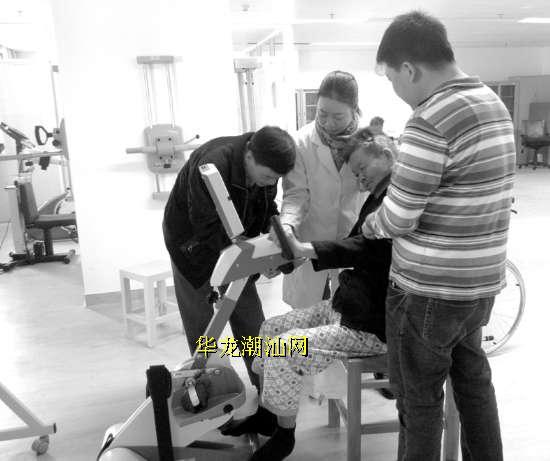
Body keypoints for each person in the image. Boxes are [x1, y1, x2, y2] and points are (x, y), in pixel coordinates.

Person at [362, 11, 516, 461]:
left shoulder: (429, 120)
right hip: (480, 286)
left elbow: (398, 218)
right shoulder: (492, 103)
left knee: (419, 401)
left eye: (393, 78)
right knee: (474, 386)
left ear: (409, 69)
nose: (396, 89)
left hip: (429, 292)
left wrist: (371, 223)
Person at [222, 130, 396, 461]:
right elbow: (355, 245)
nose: (360, 178)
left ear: (385, 155)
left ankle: (284, 436)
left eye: (363, 169)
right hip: (347, 307)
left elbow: (368, 250)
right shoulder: (378, 197)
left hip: (370, 327)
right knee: (270, 329)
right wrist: (300, 254)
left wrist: (309, 250)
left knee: (284, 349)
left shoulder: (396, 201)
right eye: (356, 173)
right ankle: (267, 415)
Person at [162, 126, 296, 389]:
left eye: (275, 179)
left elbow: (266, 207)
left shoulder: (266, 166)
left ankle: (265, 385)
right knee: (201, 321)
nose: (270, 182)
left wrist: (275, 248)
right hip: (191, 245)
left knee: (249, 314)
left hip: (235, 242)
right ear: (249, 156)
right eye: (267, 176)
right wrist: (252, 257)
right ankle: (208, 387)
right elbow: (206, 226)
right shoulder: (211, 164)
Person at [279, 70, 364, 309]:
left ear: (354, 110)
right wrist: (287, 224)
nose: (328, 123)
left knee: (347, 313)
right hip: (310, 237)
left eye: (338, 117)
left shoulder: (369, 142)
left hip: (351, 239)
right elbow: (296, 194)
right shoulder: (300, 142)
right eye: (322, 114)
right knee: (304, 313)